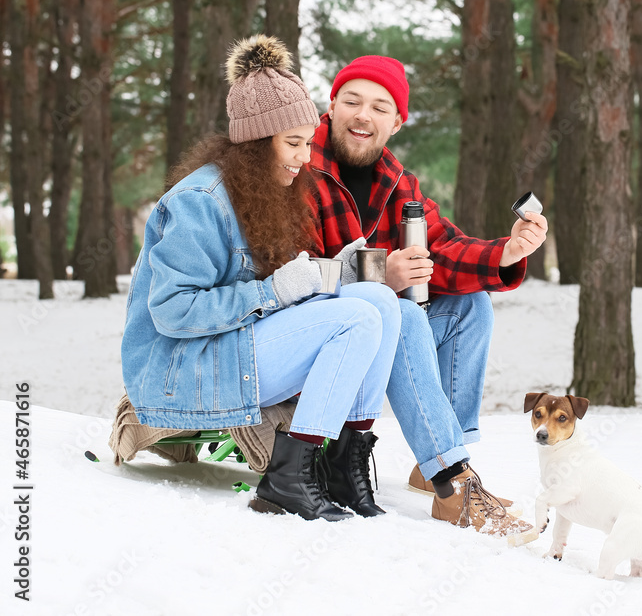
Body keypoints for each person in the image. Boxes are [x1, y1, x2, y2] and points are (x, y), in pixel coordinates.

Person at [121, 36, 401, 522]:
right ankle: (289, 480)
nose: (304, 157)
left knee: (378, 299)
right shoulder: (200, 201)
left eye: (307, 142)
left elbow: (281, 292)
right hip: (184, 371)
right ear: (255, 142)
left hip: (231, 351)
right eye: (293, 143)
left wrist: (330, 274)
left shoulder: (267, 189)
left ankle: (343, 462)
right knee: (356, 318)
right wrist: (273, 291)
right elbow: (172, 311)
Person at [308, 55, 548, 536]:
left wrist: (505, 253)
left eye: (380, 107)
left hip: (379, 338)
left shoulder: (398, 182)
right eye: (351, 101)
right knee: (402, 313)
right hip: (319, 344)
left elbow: (443, 247)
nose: (363, 115)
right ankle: (452, 483)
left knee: (469, 304)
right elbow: (294, 270)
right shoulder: (299, 166)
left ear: (397, 123)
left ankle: (435, 459)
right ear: (331, 107)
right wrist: (379, 274)